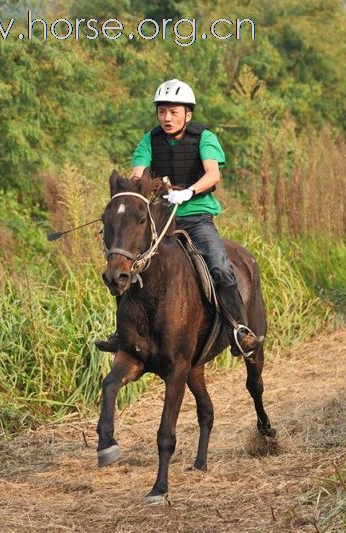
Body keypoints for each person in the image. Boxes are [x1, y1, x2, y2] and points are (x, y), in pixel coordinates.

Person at [95, 79, 261, 357]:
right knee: (127, 261)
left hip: (196, 216)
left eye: (173, 112)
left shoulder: (204, 138)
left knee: (220, 266)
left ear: (188, 114)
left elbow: (213, 174)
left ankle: (238, 329)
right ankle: (123, 332)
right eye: (162, 112)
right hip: (161, 218)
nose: (167, 118)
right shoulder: (150, 140)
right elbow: (137, 175)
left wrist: (189, 192)